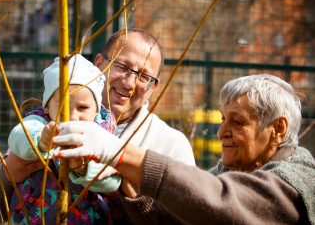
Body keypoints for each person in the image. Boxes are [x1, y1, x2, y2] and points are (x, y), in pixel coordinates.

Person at [0, 28, 196, 223]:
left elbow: (181, 220)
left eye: (144, 76)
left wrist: (123, 188)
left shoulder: (171, 145)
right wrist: (10, 171)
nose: (129, 82)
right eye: (121, 65)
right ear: (98, 63)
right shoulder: (47, 121)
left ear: (153, 87)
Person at [53, 74, 315, 224]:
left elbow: (222, 202)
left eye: (237, 122)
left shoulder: (295, 183)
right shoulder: (226, 171)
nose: (221, 131)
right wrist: (123, 182)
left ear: (278, 129)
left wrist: (119, 153)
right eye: (223, 119)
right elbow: (171, 221)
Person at [0, 54, 120, 225]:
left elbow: (113, 181)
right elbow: (18, 137)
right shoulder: (39, 123)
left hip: (90, 218)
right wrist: (41, 142)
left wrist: (85, 169)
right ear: (47, 106)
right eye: (63, 106)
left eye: (83, 107)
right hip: (37, 215)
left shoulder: (104, 132)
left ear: (97, 109)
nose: (73, 116)